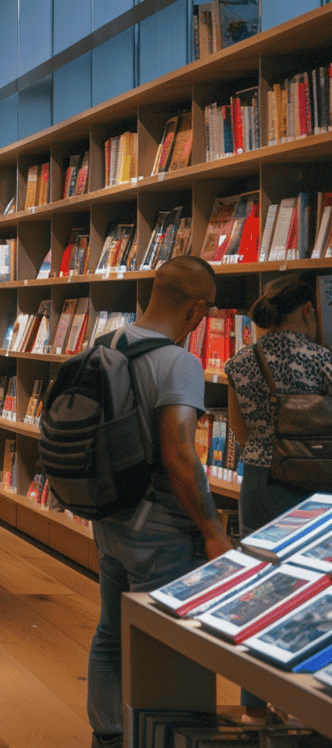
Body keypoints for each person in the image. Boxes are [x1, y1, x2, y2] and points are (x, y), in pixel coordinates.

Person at [86, 255, 233, 748]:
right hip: (164, 530)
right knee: (171, 646)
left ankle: (107, 735)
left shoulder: (102, 345)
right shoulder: (179, 363)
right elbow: (177, 452)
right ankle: (163, 738)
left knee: (110, 632)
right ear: (197, 310)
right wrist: (213, 532)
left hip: (110, 518)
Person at [224, 271, 332, 721]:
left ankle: (254, 706)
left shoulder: (242, 361)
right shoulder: (325, 361)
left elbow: (238, 430)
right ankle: (305, 701)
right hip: (318, 482)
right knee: (316, 589)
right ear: (309, 309)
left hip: (262, 481)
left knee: (260, 589)